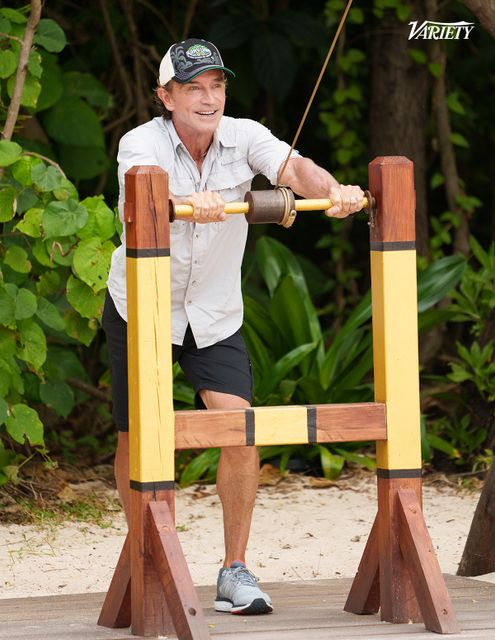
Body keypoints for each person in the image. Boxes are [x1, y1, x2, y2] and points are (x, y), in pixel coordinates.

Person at [103, 38, 364, 616]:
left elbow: (293, 167)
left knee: (240, 429)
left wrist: (334, 191)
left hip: (214, 312)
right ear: (165, 97)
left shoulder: (244, 135)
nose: (208, 98)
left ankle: (234, 570)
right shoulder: (140, 142)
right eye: (193, 87)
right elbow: (144, 187)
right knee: (135, 435)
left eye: (216, 86)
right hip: (142, 305)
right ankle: (147, 552)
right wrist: (188, 199)